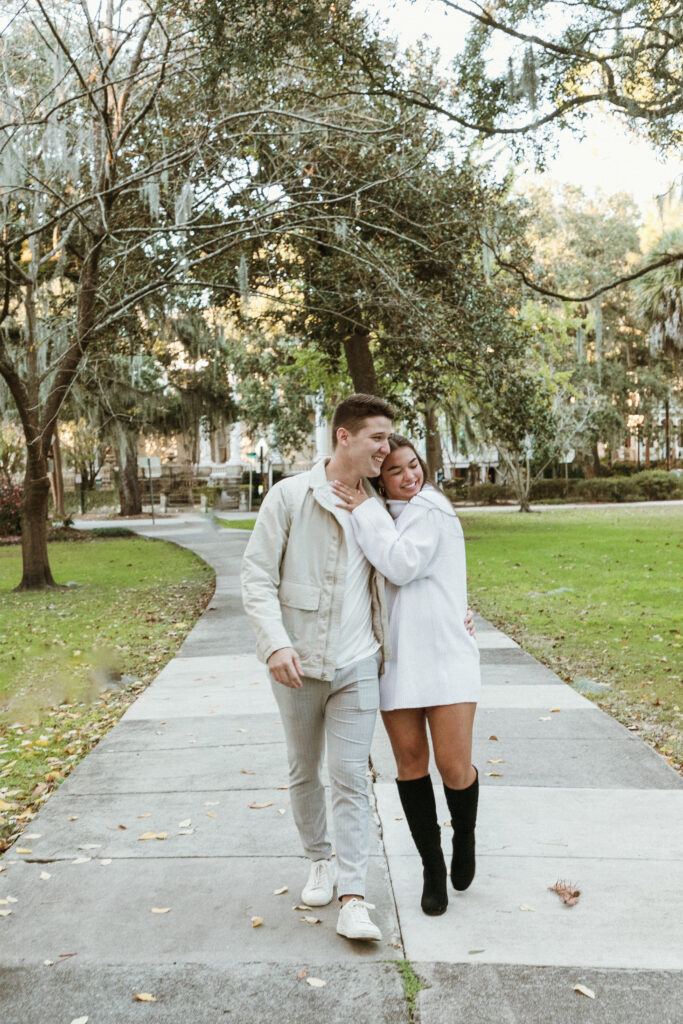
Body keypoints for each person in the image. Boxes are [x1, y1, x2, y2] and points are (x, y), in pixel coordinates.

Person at [240, 393, 395, 942]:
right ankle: (320, 860)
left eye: (389, 438)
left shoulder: (383, 503)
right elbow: (256, 575)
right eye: (377, 437)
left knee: (351, 776)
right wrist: (275, 643)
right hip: (297, 663)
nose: (387, 448)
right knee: (304, 769)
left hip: (358, 662)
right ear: (344, 437)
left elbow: (412, 564)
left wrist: (457, 611)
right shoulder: (288, 497)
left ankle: (354, 897)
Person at [331, 435, 481, 917]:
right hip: (394, 658)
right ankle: (431, 869)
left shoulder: (431, 508)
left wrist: (365, 512)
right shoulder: (376, 517)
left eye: (414, 465)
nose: (409, 476)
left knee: (454, 767)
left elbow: (401, 564)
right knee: (411, 765)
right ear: (380, 477)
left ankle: (465, 834)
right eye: (396, 470)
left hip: (444, 654)